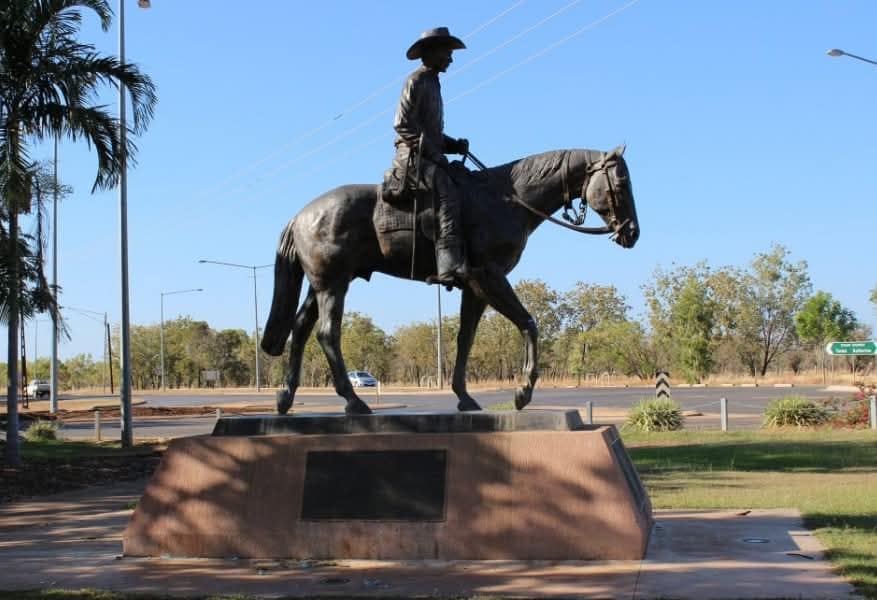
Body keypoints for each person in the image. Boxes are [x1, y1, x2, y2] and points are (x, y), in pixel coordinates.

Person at [391, 27, 470, 286]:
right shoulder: (415, 81)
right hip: (413, 158)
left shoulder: (434, 83)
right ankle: (448, 264)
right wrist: (433, 152)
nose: (451, 58)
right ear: (433, 52)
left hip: (429, 154)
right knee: (447, 191)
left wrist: (453, 145)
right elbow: (402, 125)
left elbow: (432, 133)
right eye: (447, 52)